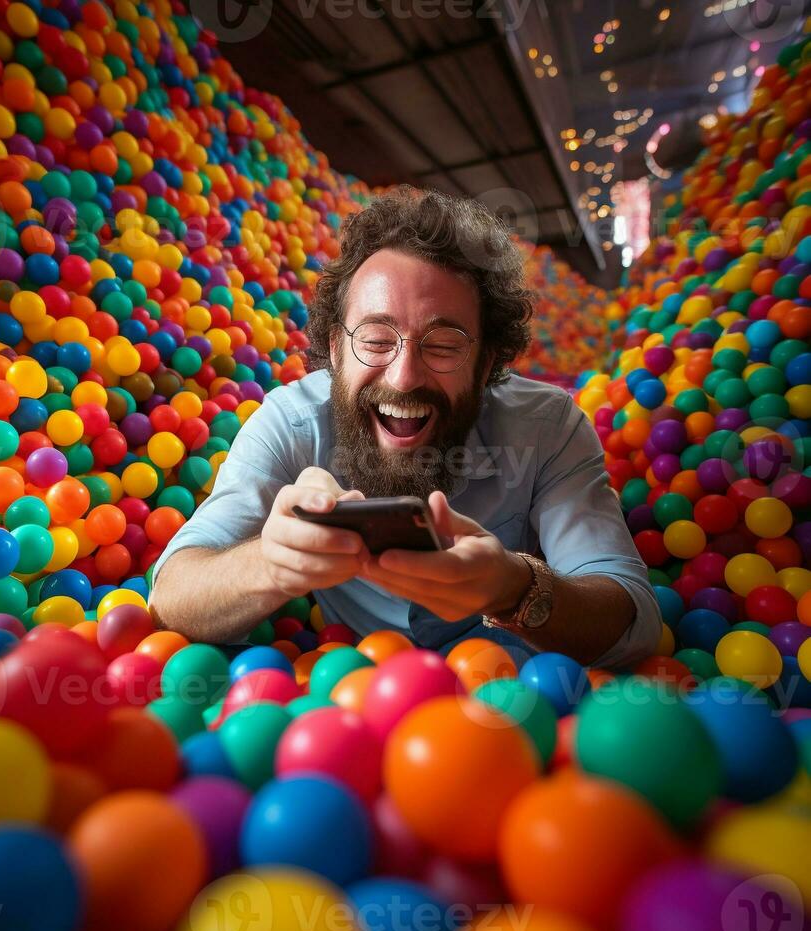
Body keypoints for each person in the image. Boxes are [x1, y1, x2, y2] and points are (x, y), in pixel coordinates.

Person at [149, 188, 661, 669]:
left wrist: (514, 588)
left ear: (486, 365)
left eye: (443, 345)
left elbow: (635, 622)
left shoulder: (547, 429)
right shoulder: (291, 424)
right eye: (374, 339)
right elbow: (171, 594)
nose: (404, 376)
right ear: (334, 349)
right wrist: (271, 564)